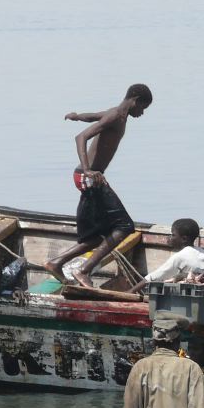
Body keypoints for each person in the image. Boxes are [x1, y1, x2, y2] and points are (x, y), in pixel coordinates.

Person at [45, 83, 152, 288]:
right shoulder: (116, 116)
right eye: (143, 107)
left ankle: (56, 263)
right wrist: (87, 170)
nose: (142, 113)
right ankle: (83, 270)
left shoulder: (116, 114)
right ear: (136, 100)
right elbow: (81, 137)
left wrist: (77, 116)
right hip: (89, 178)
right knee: (124, 226)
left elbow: (93, 116)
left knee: (96, 237)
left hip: (91, 178)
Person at [131, 217, 204, 292]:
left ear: (184, 239)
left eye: (173, 235)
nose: (170, 237)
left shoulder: (180, 256)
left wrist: (131, 291)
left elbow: (153, 277)